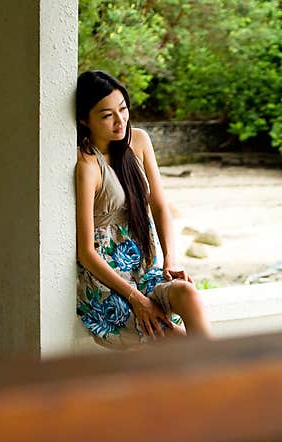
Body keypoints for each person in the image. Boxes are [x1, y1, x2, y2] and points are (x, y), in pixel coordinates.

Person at [74, 70, 211, 348]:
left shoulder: (139, 141)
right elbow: (86, 252)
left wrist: (171, 261)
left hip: (144, 269)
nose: (119, 120)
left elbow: (160, 206)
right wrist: (137, 299)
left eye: (123, 109)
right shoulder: (88, 164)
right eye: (106, 115)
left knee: (188, 293)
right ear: (84, 120)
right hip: (108, 284)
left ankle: (221, 374)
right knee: (173, 338)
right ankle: (226, 379)